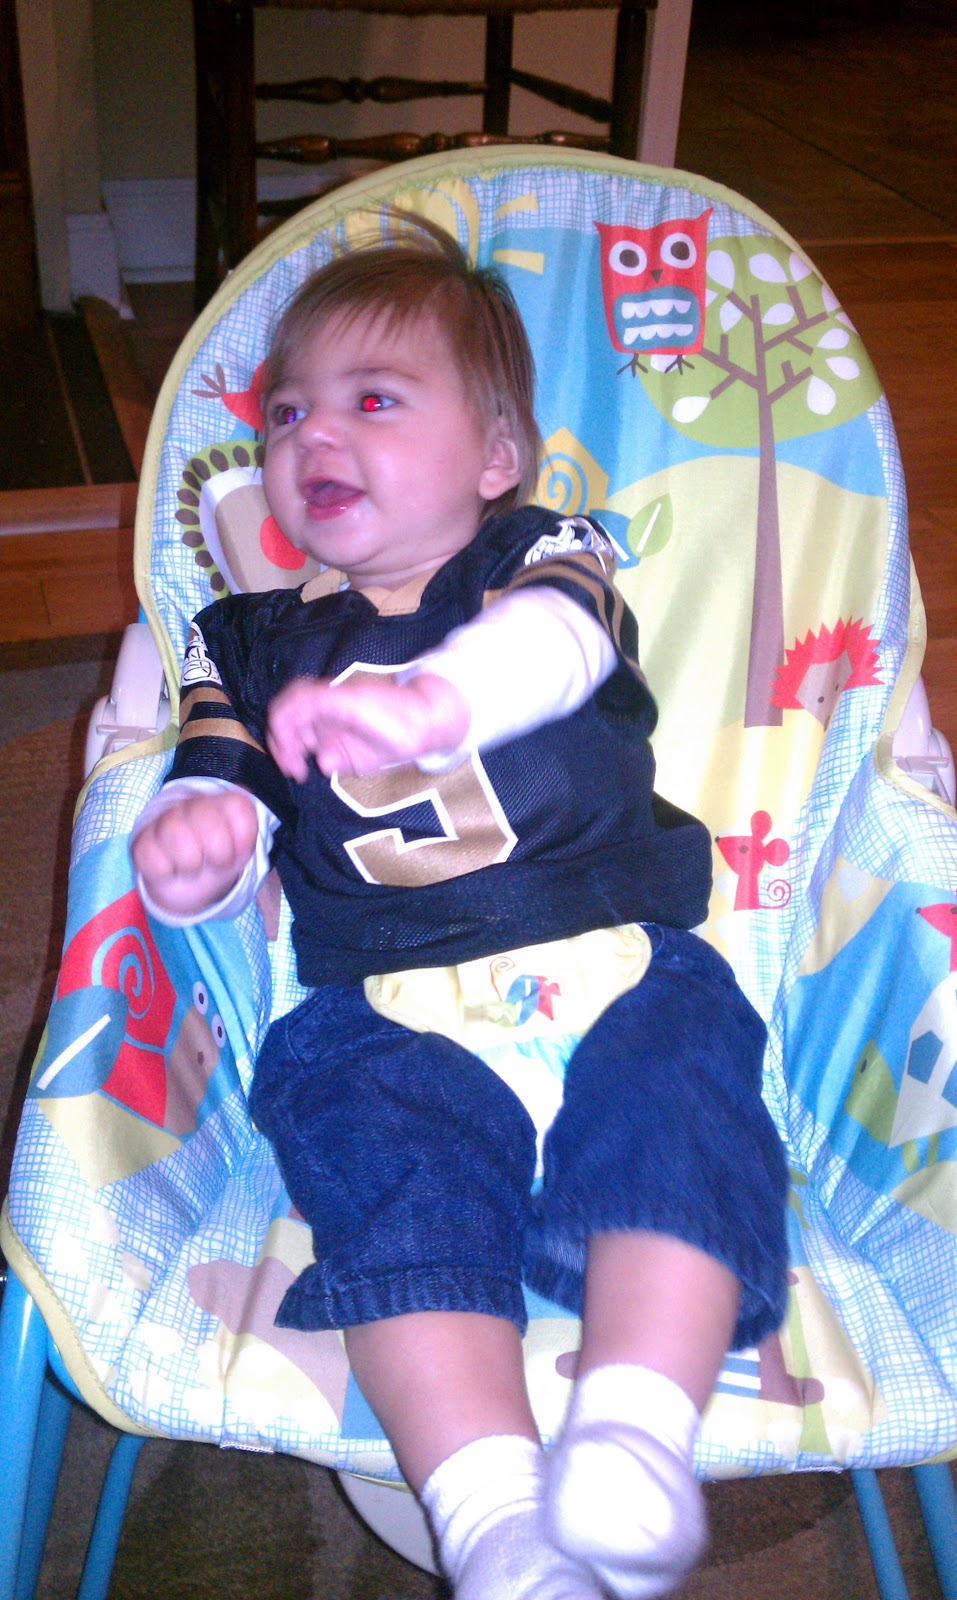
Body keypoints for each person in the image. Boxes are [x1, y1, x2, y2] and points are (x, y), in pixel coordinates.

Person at [131, 216, 788, 1600]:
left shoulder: (541, 558)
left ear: (494, 458)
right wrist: (201, 844)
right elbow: (217, 771)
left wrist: (438, 699)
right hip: (382, 1013)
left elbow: (556, 647)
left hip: (619, 965)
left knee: (685, 1115)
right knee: (390, 1195)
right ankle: (492, 1519)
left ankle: (631, 1433)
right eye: (288, 413)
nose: (314, 436)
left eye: (375, 400)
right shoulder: (245, 639)